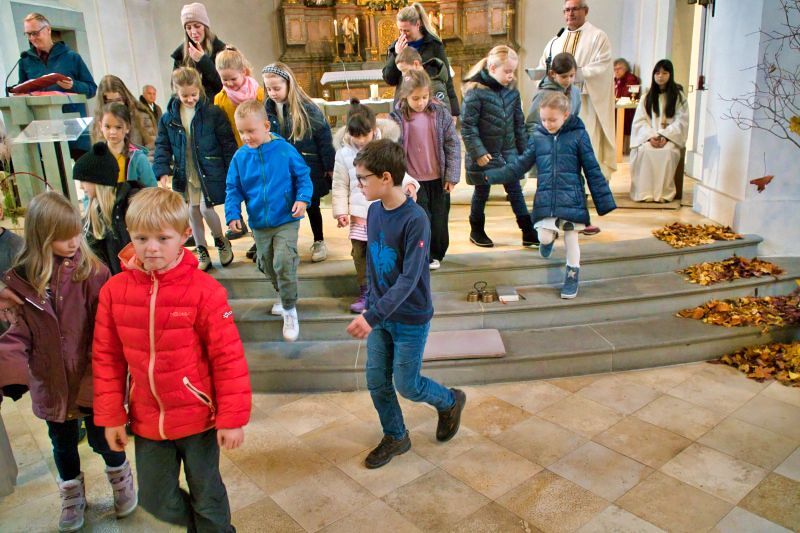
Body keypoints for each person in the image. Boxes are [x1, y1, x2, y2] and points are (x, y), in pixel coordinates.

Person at [92, 187, 251, 532]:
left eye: (162, 238)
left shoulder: (205, 291)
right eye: (141, 238)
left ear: (184, 235)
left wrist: (231, 417)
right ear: (129, 235)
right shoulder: (114, 292)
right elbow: (106, 358)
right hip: (147, 420)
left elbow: (228, 358)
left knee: (207, 496)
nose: (151, 248)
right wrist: (111, 415)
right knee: (155, 499)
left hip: (198, 418)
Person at [0, 192, 136, 532]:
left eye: (77, 232)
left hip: (92, 379)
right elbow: (18, 333)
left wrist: (102, 381)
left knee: (104, 440)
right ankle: (72, 496)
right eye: (64, 236)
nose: (75, 242)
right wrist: (9, 371)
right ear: (42, 237)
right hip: (52, 384)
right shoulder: (24, 283)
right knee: (61, 444)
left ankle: (121, 481)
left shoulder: (93, 274)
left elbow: (106, 332)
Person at [346, 139, 466, 469]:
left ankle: (450, 400)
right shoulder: (374, 211)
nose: (359, 185)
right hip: (380, 314)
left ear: (386, 178)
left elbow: (410, 277)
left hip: (410, 317)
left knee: (408, 385)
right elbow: (374, 265)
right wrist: (371, 303)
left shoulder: (416, 219)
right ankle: (396, 435)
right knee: (376, 381)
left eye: (363, 178)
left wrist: (372, 315)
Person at [480, 92, 617, 299]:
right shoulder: (538, 137)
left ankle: (572, 275)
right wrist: (493, 175)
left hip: (571, 198)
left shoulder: (579, 135)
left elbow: (592, 168)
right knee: (542, 237)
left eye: (552, 120)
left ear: (566, 115)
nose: (547, 124)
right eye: (543, 119)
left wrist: (604, 201)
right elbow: (520, 165)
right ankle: (548, 239)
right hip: (546, 198)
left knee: (571, 238)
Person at [225, 100, 313, 342]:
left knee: (283, 261)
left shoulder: (284, 150)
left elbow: (303, 176)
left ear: (266, 126)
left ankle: (289, 309)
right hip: (259, 223)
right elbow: (233, 188)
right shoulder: (240, 157)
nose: (246, 137)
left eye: (250, 131)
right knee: (266, 264)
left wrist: (303, 198)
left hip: (286, 218)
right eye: (241, 131)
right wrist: (232, 214)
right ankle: (284, 294)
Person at [332, 99, 419, 313]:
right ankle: (366, 293)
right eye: (356, 135)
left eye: (365, 134)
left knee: (385, 252)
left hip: (383, 212)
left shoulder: (384, 148)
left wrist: (409, 184)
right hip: (359, 213)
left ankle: (388, 291)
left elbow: (398, 172)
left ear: (374, 128)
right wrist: (341, 211)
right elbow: (340, 183)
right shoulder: (343, 154)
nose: (361, 140)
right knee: (360, 253)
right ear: (348, 132)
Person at [538, 0, 615, 237]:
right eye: (567, 10)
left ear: (585, 11)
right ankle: (554, 220)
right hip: (555, 111)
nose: (570, 13)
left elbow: (602, 68)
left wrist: (572, 75)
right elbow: (543, 68)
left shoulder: (598, 37)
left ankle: (580, 216)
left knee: (580, 163)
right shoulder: (556, 40)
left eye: (575, 9)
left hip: (585, 106)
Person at [154, 67, 237, 271]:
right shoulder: (168, 118)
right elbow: (162, 145)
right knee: (191, 211)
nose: (190, 99)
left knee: (206, 208)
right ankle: (202, 249)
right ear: (176, 92)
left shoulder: (212, 113)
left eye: (194, 94)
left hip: (208, 168)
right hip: (186, 170)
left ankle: (220, 240)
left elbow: (227, 143)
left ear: (199, 90)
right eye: (185, 96)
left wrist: (232, 169)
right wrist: (162, 170)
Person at [461, 45, 537, 249]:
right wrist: (478, 152)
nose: (511, 76)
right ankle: (476, 230)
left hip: (508, 152)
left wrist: (525, 152)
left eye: (513, 71)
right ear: (493, 68)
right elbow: (468, 127)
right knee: (482, 192)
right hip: (485, 155)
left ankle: (528, 231)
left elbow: (518, 124)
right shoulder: (475, 92)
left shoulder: (512, 92)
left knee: (515, 191)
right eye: (507, 71)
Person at [263, 62, 335, 263]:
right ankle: (285, 243)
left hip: (307, 164)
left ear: (289, 84)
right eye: (269, 89)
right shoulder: (267, 108)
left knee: (312, 204)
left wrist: (329, 167)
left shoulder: (307, 108)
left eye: (277, 88)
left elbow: (324, 138)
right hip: (279, 168)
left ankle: (319, 240)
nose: (272, 93)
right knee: (284, 204)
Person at [391, 70, 460, 270]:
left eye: (424, 97)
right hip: (413, 181)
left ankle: (437, 252)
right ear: (405, 96)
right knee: (421, 219)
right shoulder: (397, 118)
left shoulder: (440, 113)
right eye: (415, 98)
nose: (421, 102)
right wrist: (401, 180)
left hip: (439, 178)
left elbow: (452, 144)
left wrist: (451, 176)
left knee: (439, 219)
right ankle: (424, 254)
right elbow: (392, 149)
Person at [17, 12, 97, 158]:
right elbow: (22, 92)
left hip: (73, 132)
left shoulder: (71, 57)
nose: (32, 38)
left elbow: (92, 89)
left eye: (35, 33)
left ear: (48, 30)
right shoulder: (25, 61)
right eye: (28, 34)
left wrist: (73, 85)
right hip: (43, 134)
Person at [214, 45, 264, 247]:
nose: (228, 83)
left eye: (233, 78)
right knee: (240, 192)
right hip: (236, 153)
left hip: (259, 150)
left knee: (258, 195)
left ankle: (259, 238)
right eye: (224, 79)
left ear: (243, 72)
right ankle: (241, 225)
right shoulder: (220, 99)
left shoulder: (258, 93)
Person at [73, 142, 142, 274]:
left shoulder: (130, 205)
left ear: (98, 181)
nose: (81, 187)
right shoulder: (93, 211)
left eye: (83, 181)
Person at [382, 2, 459, 118]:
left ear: (417, 24)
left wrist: (454, 112)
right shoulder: (396, 46)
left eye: (406, 30)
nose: (403, 35)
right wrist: (396, 54)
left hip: (430, 104)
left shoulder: (434, 44)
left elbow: (446, 77)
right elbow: (389, 79)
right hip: (405, 107)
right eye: (400, 30)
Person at [629, 59, 689, 203]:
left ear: (670, 74)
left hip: (669, 139)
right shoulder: (646, 98)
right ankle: (645, 193)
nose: (660, 76)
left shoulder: (679, 98)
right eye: (657, 73)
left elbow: (681, 121)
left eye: (664, 73)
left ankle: (663, 193)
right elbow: (640, 121)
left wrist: (665, 136)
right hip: (649, 138)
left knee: (667, 152)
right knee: (644, 151)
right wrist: (651, 137)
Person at [93, 75, 157, 161]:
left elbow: (153, 151)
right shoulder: (100, 121)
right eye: (110, 101)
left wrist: (139, 167)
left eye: (118, 100)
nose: (115, 105)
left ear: (125, 98)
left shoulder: (141, 116)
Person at [171, 3, 226, 97]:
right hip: (191, 105)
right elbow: (175, 89)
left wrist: (203, 60)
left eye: (197, 26)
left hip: (216, 104)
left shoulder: (222, 50)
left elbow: (224, 86)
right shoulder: (180, 55)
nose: (193, 32)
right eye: (188, 28)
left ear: (205, 27)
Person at [98, 103, 157, 188]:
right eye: (107, 126)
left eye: (118, 127)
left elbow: (152, 190)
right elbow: (90, 191)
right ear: (100, 126)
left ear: (128, 127)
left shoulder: (138, 159)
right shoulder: (95, 157)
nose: (112, 132)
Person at [526, 52, 581, 129]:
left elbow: (574, 119)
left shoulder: (576, 92)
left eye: (571, 75)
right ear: (552, 73)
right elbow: (531, 125)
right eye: (564, 76)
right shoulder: (542, 94)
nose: (568, 80)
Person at [392, 46, 452, 114]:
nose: (403, 75)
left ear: (416, 64)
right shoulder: (411, 82)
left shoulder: (435, 84)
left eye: (404, 70)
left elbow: (444, 114)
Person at [614, 58, 640, 139]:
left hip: (627, 111)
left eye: (619, 68)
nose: (616, 71)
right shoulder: (616, 79)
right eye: (615, 69)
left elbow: (626, 96)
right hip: (617, 108)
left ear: (626, 69)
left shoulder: (630, 79)